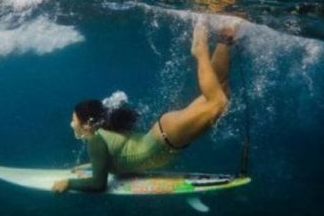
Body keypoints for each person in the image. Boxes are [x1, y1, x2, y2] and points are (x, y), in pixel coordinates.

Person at [52, 21, 239, 193]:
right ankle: (225, 37)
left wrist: (69, 183)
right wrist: (89, 166)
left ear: (87, 123)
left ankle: (200, 51)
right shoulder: (103, 135)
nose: (71, 123)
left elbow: (98, 184)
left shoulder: (95, 142)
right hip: (165, 132)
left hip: (168, 137)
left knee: (217, 103)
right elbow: (113, 161)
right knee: (221, 86)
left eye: (73, 119)